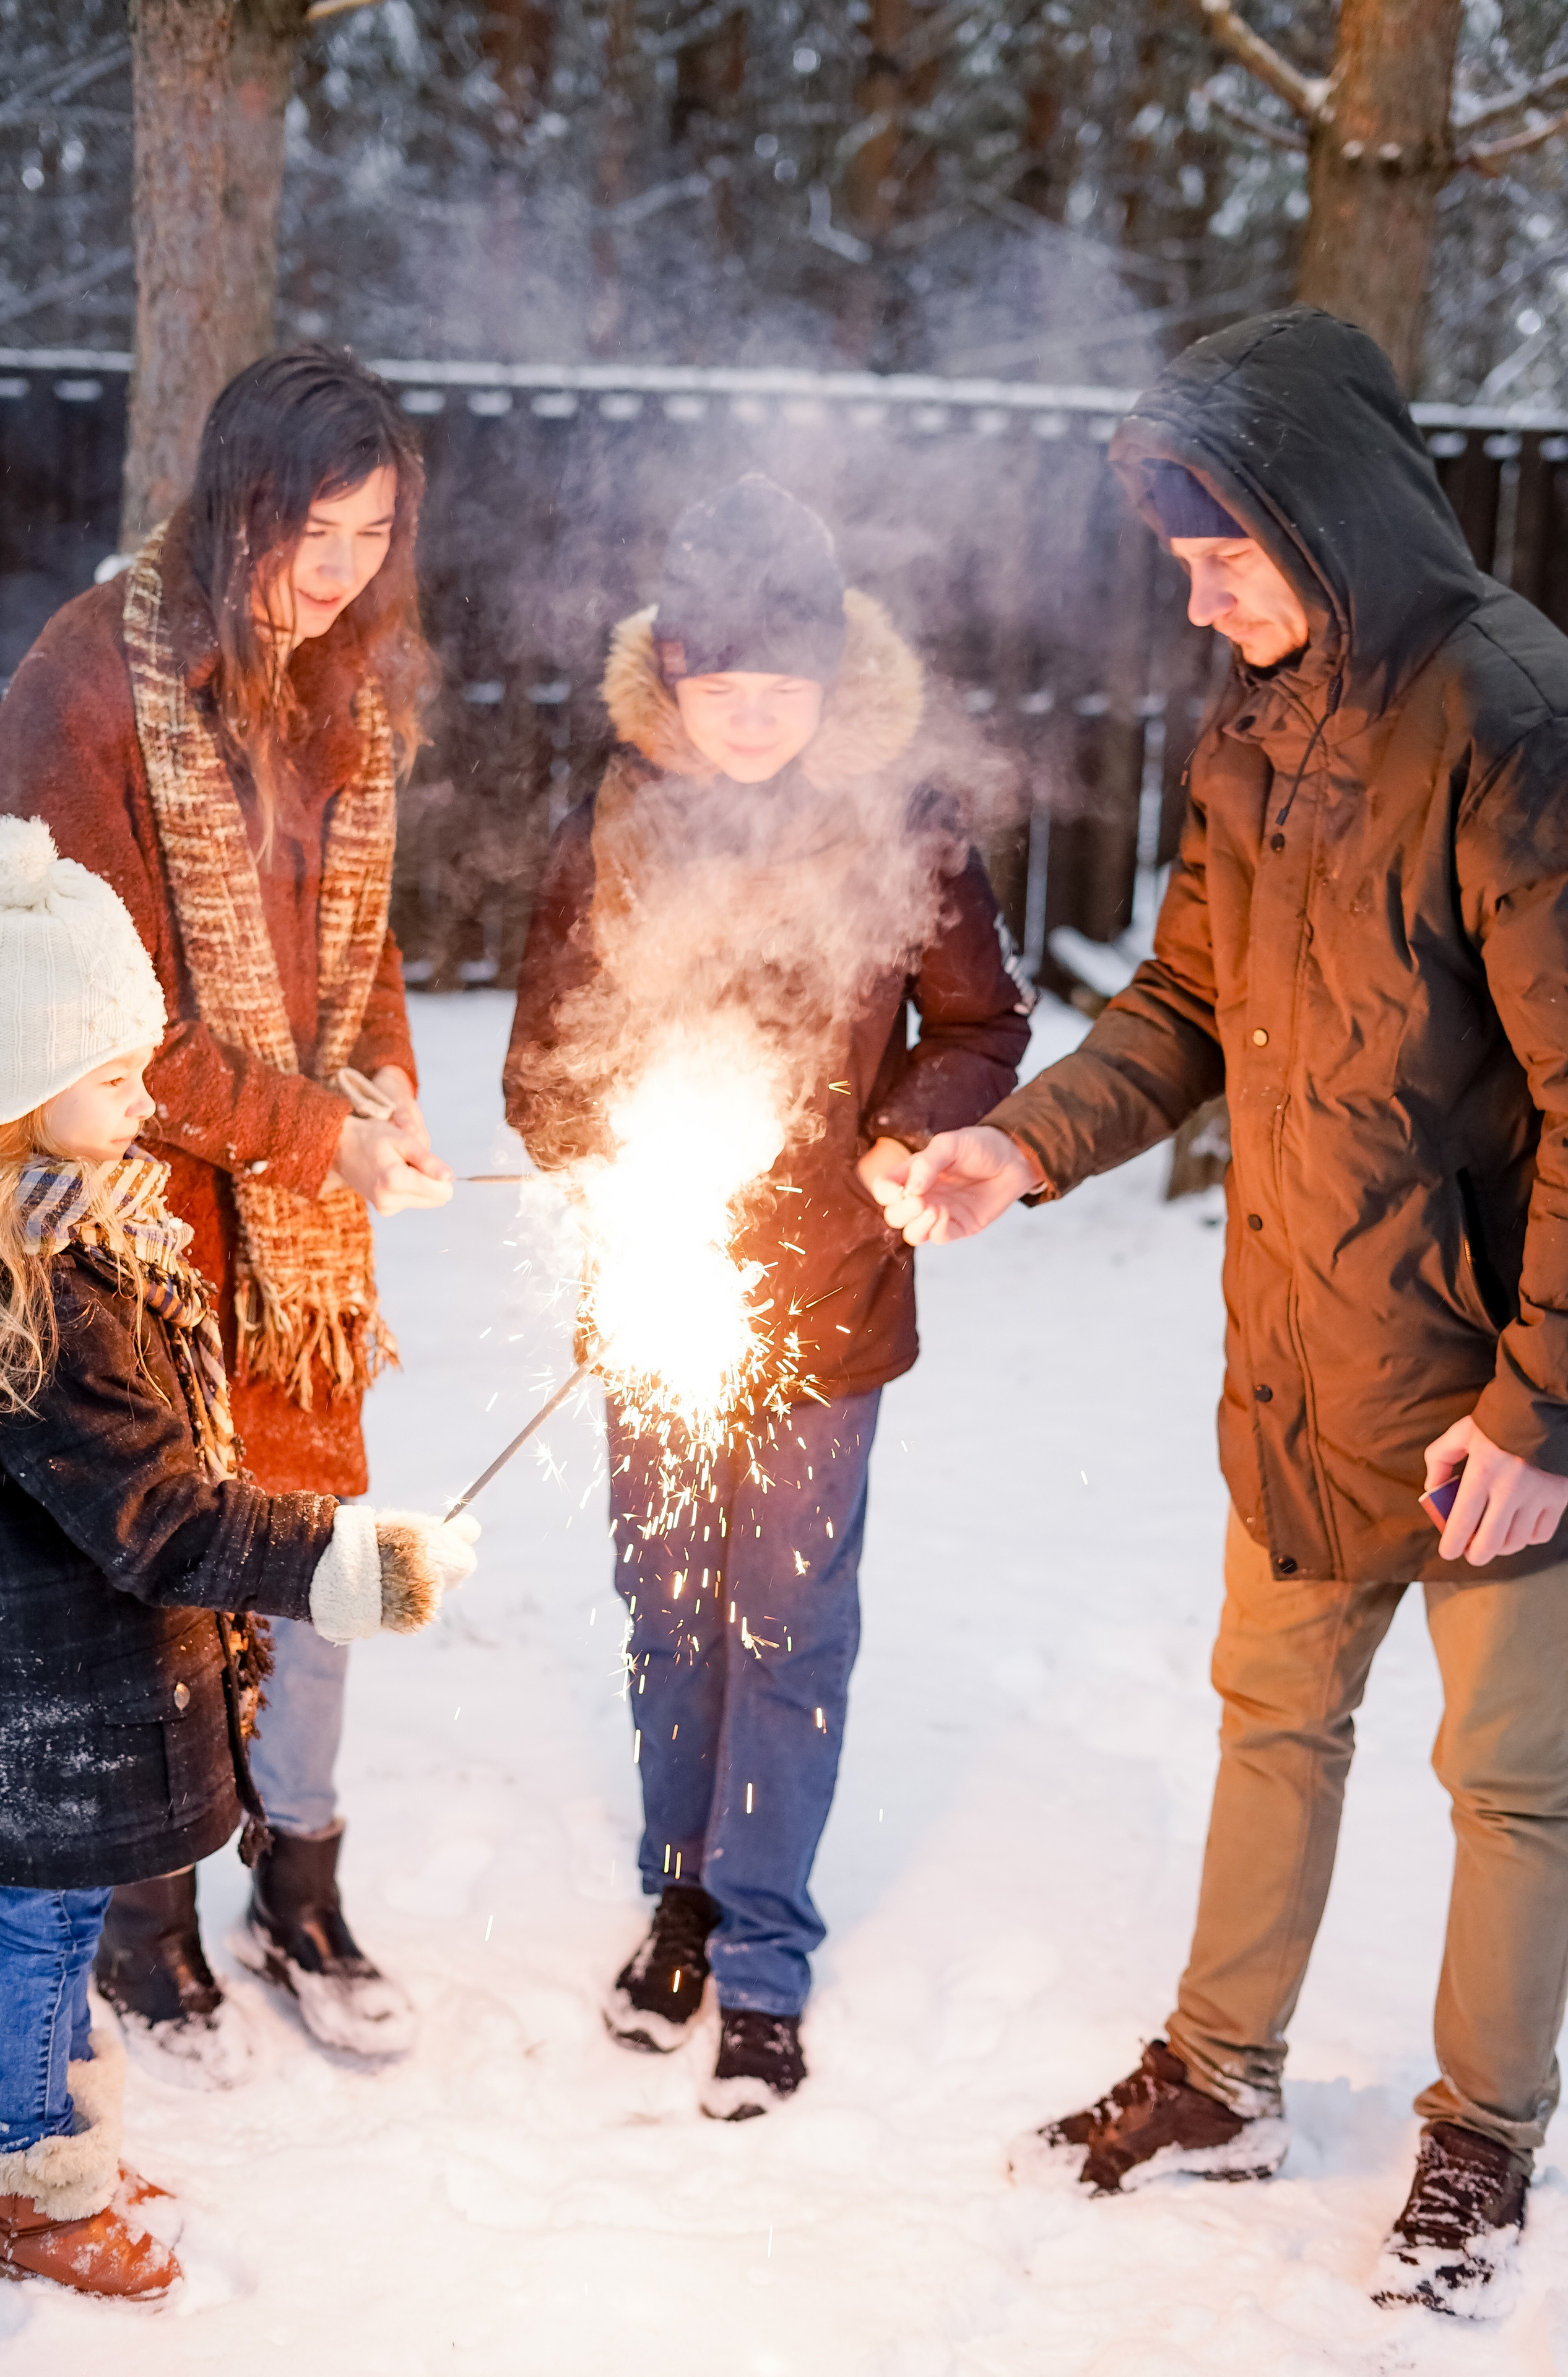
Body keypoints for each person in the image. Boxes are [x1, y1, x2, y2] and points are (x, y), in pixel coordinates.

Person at [879, 303, 1568, 2314]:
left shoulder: (1511, 720)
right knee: (1275, 1711)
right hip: (1304, 1342)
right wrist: (1020, 1145)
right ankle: (1222, 2075)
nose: (1200, 595)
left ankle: (1484, 2138)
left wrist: (1539, 1408)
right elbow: (1188, 1007)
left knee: (1510, 1779)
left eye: (1225, 551)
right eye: (1182, 559)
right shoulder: (1257, 723)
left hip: (1491, 1384)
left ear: (1332, 516)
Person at [505, 474, 1031, 2116]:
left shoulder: (906, 826)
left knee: (786, 1620)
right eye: (722, 691)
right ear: (672, 679)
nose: (753, 722)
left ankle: (765, 1951)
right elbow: (540, 1062)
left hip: (833, 1295)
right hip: (661, 1292)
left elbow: (981, 1030)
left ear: (835, 685)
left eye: (784, 692)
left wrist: (906, 1135)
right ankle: (681, 1889)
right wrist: (603, 1146)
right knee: (668, 1609)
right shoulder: (612, 821)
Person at [0, 346, 453, 2077]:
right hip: (144, 1220)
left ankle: (303, 1878)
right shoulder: (84, 690)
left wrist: (384, 1086)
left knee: (315, 1537)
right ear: (229, 504)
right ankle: (151, 1909)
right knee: (169, 1564)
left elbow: (366, 944)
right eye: (305, 531)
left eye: (372, 534)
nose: (336, 573)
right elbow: (90, 1022)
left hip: (303, 1263)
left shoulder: (340, 686)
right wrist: (305, 1134)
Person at [0, 816, 476, 2298]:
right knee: (33, 1935)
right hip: (41, 1709)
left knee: (45, 1934)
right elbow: (161, 1514)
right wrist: (349, 1560)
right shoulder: (39, 1296)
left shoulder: (90, 1231)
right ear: (12, 1091)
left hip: (64, 1696)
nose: (147, 1106)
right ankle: (25, 2175)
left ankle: (49, 2124)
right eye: (116, 1076)